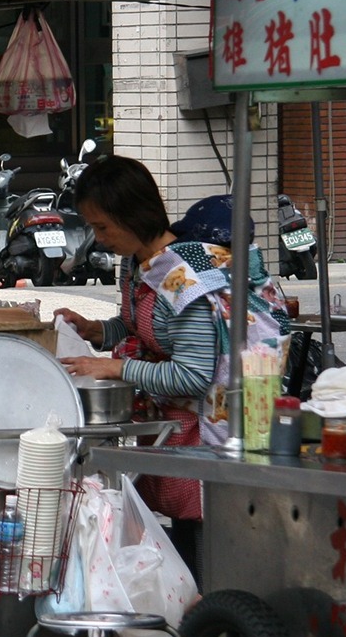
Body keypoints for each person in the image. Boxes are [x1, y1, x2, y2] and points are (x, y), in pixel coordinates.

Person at [54, 158, 286, 582]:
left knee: (203, 550)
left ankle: (206, 630)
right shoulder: (140, 264)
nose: (99, 239)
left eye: (103, 227)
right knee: (180, 539)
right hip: (175, 428)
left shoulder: (182, 279)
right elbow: (138, 324)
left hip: (213, 428)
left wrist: (115, 367)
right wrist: (96, 331)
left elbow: (193, 375)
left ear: (133, 215)